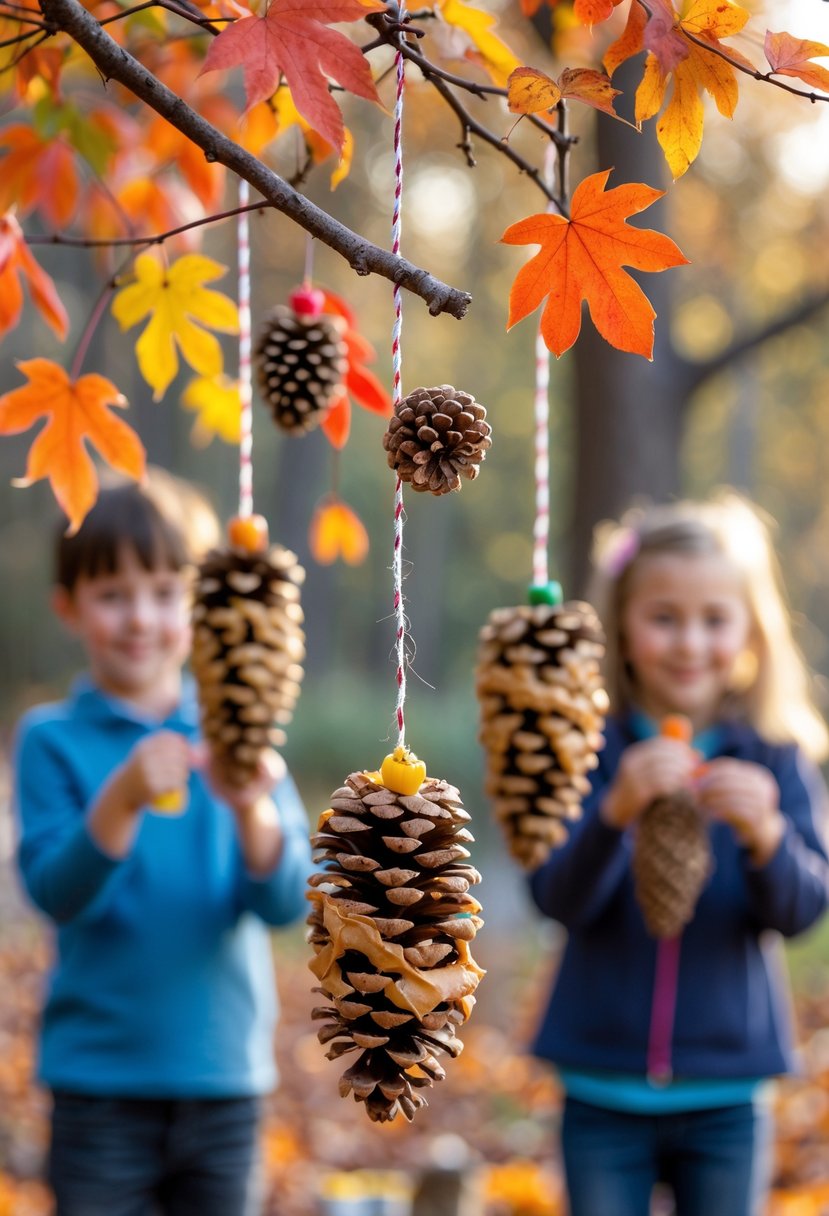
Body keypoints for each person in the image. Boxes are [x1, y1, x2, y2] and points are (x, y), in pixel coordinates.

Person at [12, 469, 313, 1216]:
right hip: (98, 1089)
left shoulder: (239, 723)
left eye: (164, 591)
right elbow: (58, 893)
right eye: (113, 595)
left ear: (201, 605)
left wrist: (252, 810)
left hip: (223, 1080)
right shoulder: (51, 740)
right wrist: (121, 797)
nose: (140, 618)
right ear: (69, 607)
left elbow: (282, 903)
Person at [527, 491, 829, 1216]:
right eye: (664, 618)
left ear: (750, 634)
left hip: (729, 1088)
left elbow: (802, 911)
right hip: (600, 1084)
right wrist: (613, 812)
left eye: (713, 620)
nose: (689, 643)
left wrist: (765, 837)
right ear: (622, 631)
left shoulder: (775, 756)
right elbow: (553, 897)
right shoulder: (586, 748)